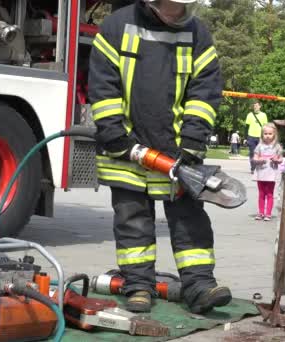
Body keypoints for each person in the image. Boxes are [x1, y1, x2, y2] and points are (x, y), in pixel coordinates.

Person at [88, 0, 231, 314]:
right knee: (132, 221)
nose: (176, 13)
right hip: (127, 152)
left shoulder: (197, 34)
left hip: (179, 154)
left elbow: (205, 90)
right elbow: (103, 86)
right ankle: (138, 286)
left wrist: (192, 142)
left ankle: (200, 286)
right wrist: (115, 137)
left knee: (190, 221)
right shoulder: (116, 27)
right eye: (171, 6)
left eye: (182, 7)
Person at [253, 123, 283, 221]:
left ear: (274, 134)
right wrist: (259, 160)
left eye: (270, 133)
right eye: (265, 133)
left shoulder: (277, 146)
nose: (267, 135)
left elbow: (280, 160)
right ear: (262, 134)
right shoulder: (259, 146)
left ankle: (268, 213)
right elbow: (254, 158)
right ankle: (261, 212)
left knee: (269, 193)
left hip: (271, 173)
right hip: (261, 172)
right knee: (261, 193)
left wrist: (276, 160)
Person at [245, 101, 268, 174]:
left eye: (257, 105)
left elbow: (265, 127)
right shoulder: (249, 115)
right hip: (251, 136)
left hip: (260, 137)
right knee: (252, 153)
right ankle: (253, 168)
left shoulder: (264, 115)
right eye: (254, 106)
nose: (255, 107)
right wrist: (245, 138)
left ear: (260, 106)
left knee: (260, 153)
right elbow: (246, 127)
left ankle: (259, 167)